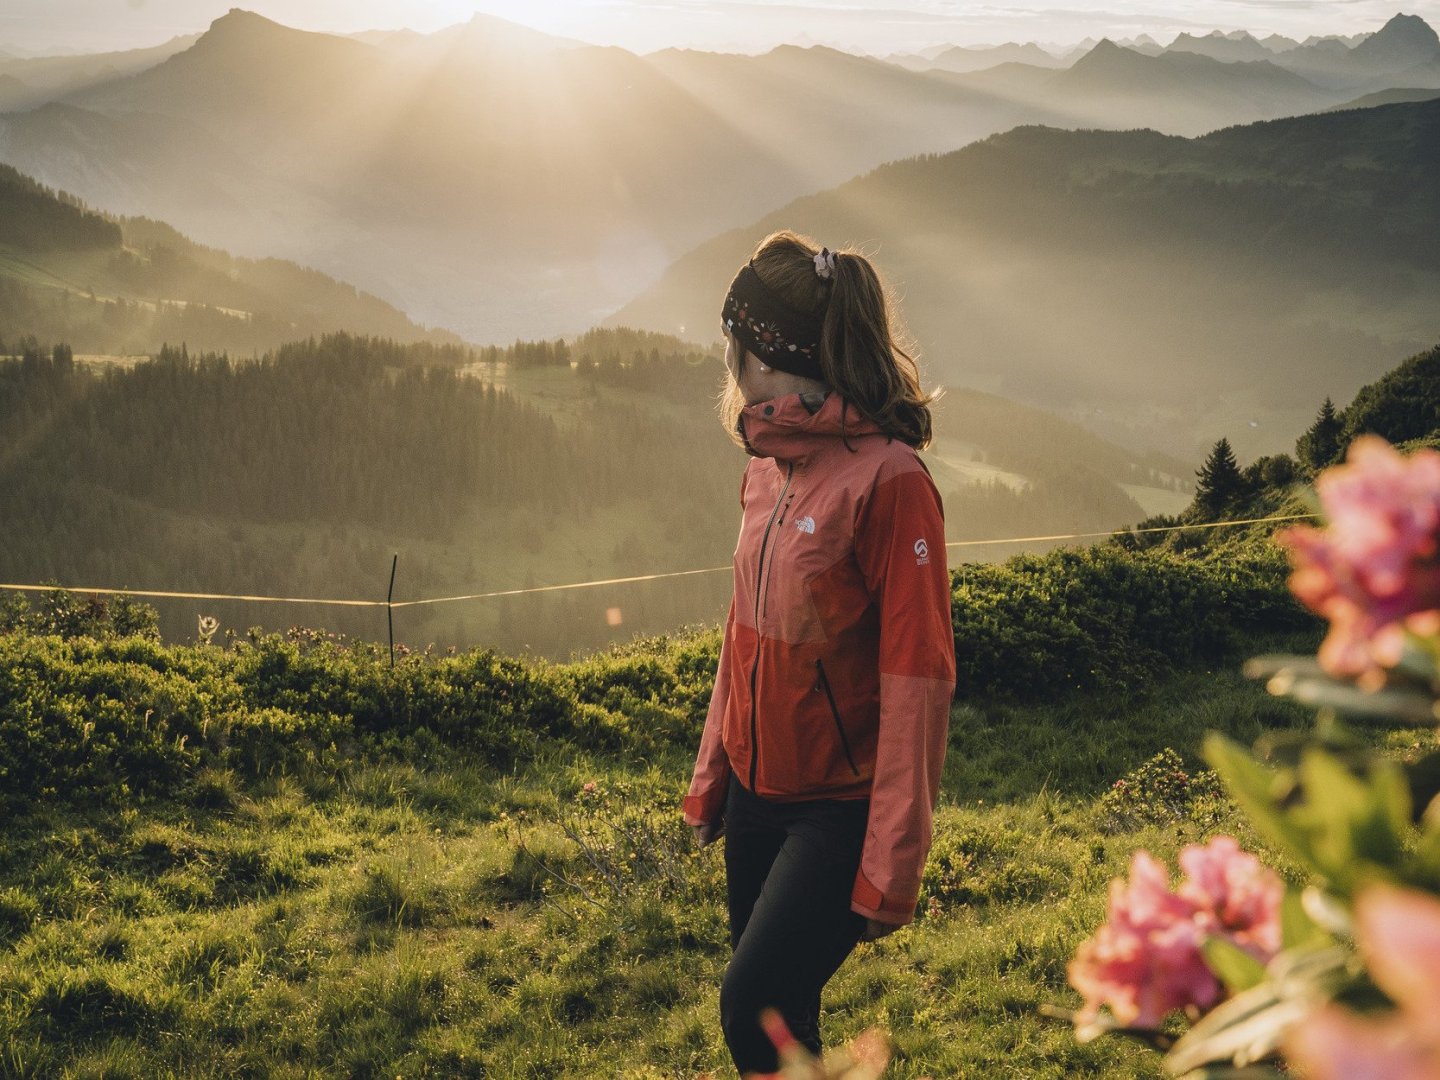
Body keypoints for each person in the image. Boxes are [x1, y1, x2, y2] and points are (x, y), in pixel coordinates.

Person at [683, 230, 956, 1075]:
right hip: (760, 794)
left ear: (767, 354)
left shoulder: (891, 481)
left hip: (839, 809)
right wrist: (712, 775)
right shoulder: (766, 463)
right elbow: (742, 635)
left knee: (749, 1007)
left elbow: (919, 681)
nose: (727, 362)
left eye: (735, 343)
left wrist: (892, 862)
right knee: (782, 1024)